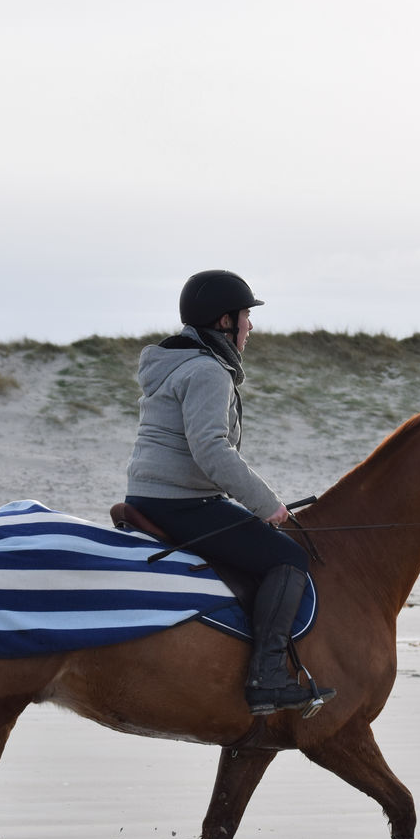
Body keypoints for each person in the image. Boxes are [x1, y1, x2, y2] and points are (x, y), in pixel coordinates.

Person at [125, 270, 335, 716]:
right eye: (245, 316)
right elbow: (211, 450)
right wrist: (269, 506)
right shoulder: (205, 371)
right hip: (181, 503)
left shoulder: (178, 362)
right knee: (288, 557)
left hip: (156, 495)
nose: (250, 327)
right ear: (224, 322)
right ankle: (268, 678)